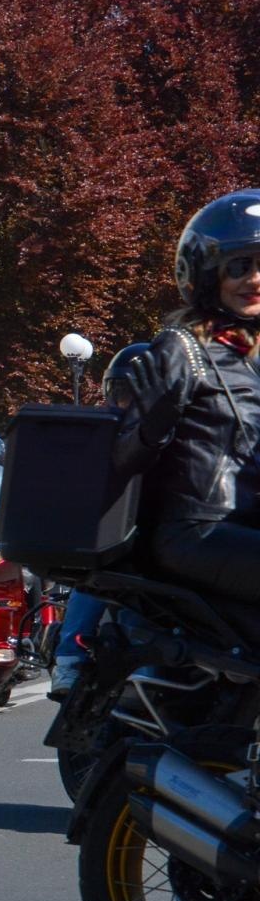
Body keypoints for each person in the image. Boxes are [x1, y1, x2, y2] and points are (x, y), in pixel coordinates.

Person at [112, 189, 260, 602]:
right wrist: (151, 426)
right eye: (239, 266)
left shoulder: (254, 353)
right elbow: (122, 458)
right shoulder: (184, 347)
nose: (255, 279)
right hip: (198, 529)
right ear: (209, 274)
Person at [49, 343, 151, 697]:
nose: (127, 403)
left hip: (160, 546)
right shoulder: (99, 437)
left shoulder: (178, 434)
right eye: (120, 393)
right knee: (90, 584)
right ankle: (69, 661)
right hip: (111, 542)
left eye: (136, 394)